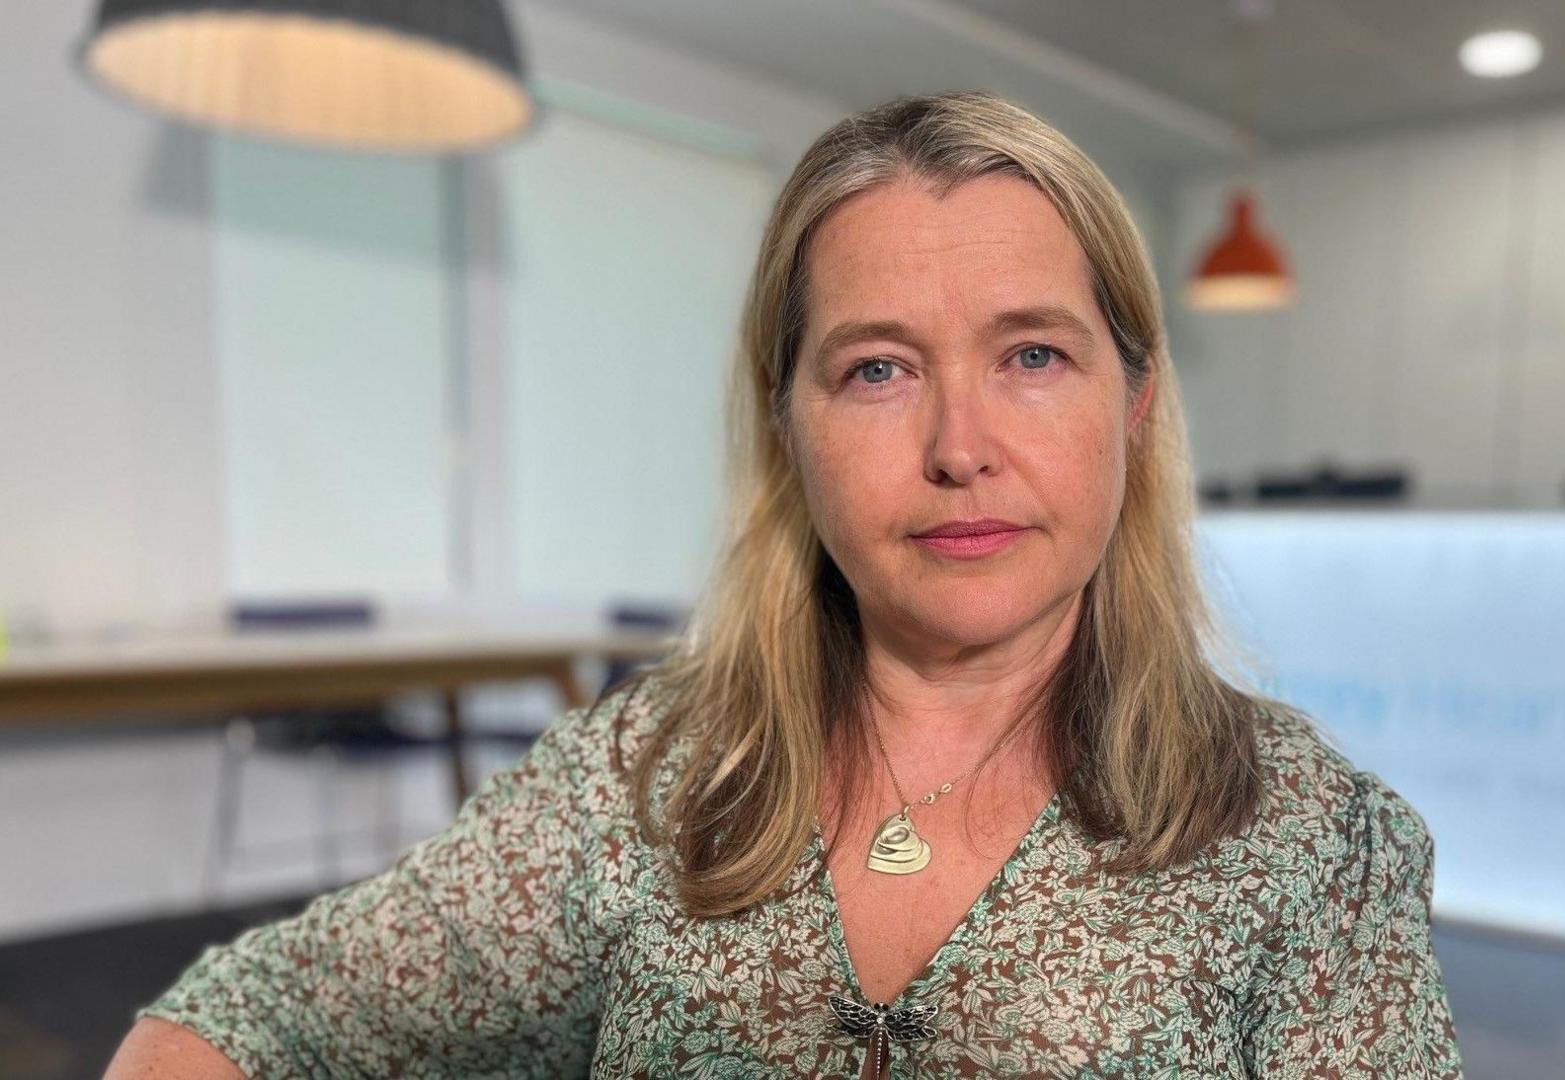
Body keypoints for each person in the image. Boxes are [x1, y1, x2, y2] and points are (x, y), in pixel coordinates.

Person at [105, 89, 1463, 1078]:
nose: (959, 448)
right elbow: (246, 1022)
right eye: (877, 368)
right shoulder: (650, 777)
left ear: (1137, 403)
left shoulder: (1311, 847)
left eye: (1034, 356)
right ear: (789, 425)